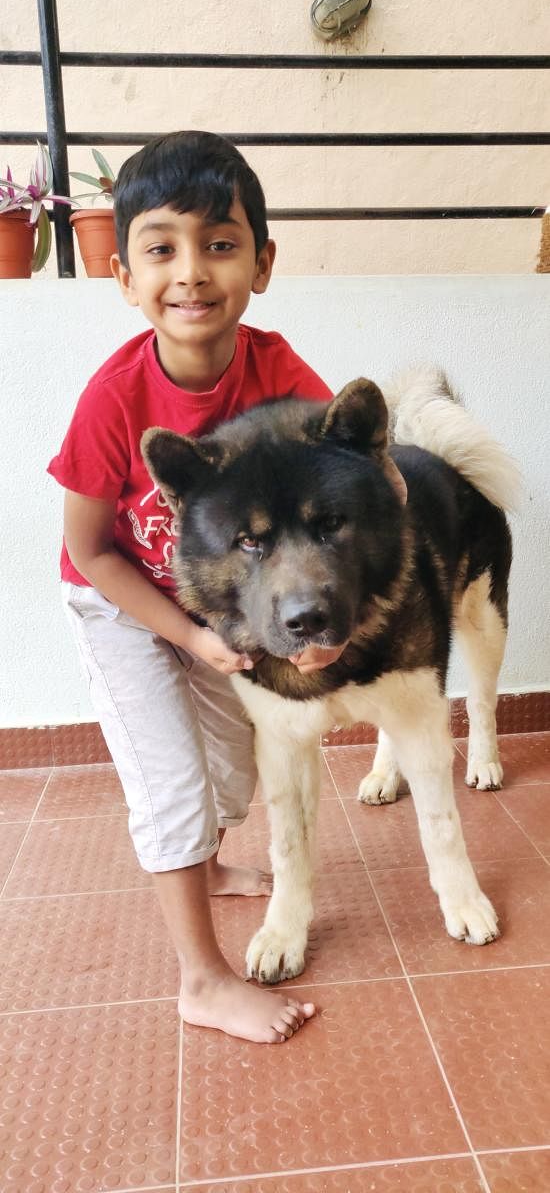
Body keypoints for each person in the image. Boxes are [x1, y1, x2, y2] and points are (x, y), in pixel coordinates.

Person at [48, 130, 344, 1044]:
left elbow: (344, 475)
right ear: (123, 274)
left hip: (215, 611)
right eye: (161, 247)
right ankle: (203, 979)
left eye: (220, 244)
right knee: (172, 786)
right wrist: (186, 636)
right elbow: (92, 553)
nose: (192, 272)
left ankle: (209, 862)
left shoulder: (278, 370)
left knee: (228, 774)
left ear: (262, 262)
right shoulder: (114, 400)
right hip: (119, 602)